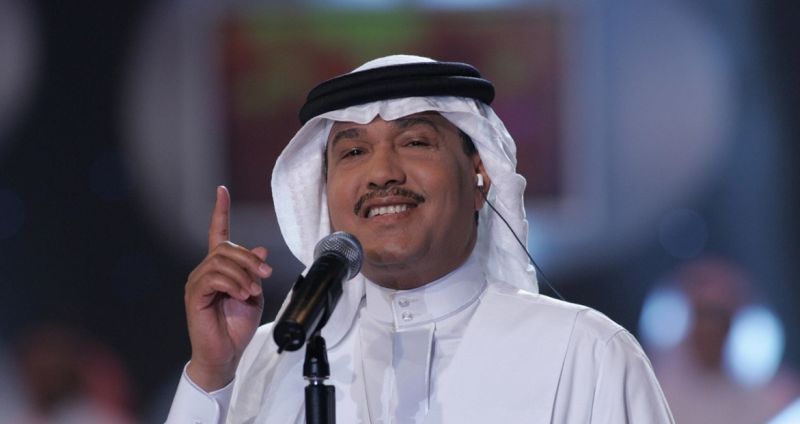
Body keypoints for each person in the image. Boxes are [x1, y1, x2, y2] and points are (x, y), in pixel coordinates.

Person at [165, 55, 674, 423]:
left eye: (415, 142)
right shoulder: (267, 362)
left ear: (479, 177)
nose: (382, 173)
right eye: (353, 152)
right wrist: (212, 373)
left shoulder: (584, 352)